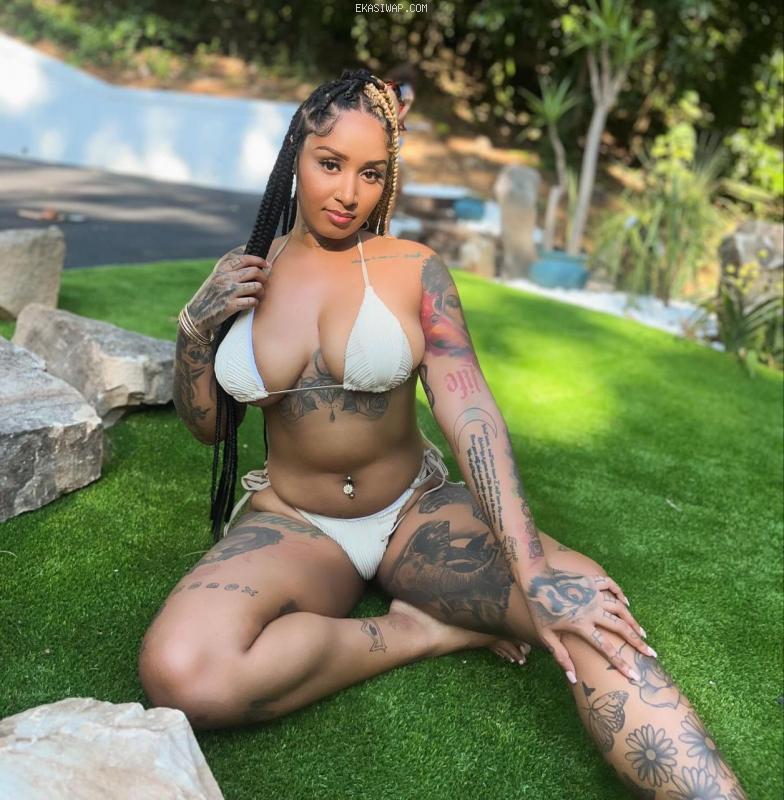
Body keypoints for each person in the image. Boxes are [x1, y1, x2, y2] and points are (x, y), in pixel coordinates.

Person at [140, 68, 747, 798]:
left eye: (371, 173)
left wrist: (532, 570)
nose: (348, 192)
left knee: (587, 614)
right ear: (295, 153)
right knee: (183, 672)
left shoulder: (412, 270)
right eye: (330, 163)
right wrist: (194, 330)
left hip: (415, 515)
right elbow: (210, 429)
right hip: (296, 523)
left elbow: (470, 411)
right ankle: (420, 632)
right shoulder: (244, 276)